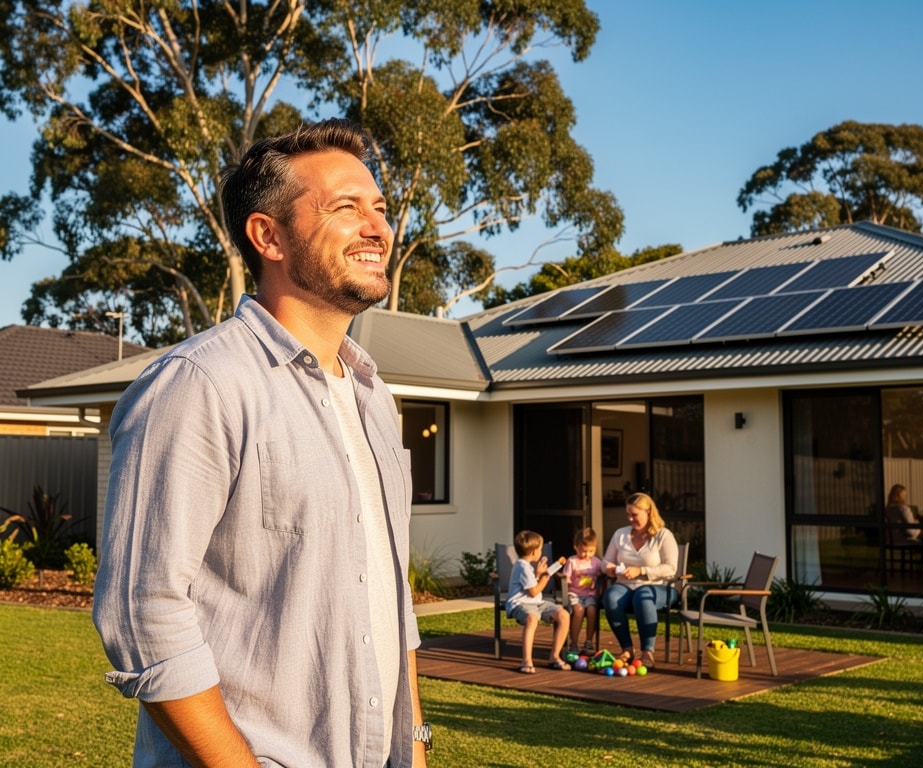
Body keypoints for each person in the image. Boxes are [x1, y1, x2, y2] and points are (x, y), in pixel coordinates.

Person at [92, 118, 431, 767]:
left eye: (380, 209)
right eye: (346, 208)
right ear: (267, 236)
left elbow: (389, 599)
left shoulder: (374, 399)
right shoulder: (199, 385)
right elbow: (141, 613)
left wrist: (413, 747)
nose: (378, 228)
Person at [602, 492, 679, 670]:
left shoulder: (663, 536)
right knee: (610, 597)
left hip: (658, 587)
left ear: (649, 511)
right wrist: (609, 568)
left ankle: (647, 651)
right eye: (628, 514)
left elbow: (671, 569)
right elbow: (605, 561)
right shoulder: (620, 534)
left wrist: (641, 571)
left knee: (642, 596)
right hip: (625, 585)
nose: (630, 519)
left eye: (634, 514)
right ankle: (627, 649)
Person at [505, 530, 571, 674]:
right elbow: (534, 591)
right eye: (540, 549)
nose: (541, 552)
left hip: (536, 603)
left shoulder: (526, 566)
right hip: (520, 604)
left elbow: (531, 586)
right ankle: (526, 660)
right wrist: (544, 578)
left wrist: (538, 574)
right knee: (531, 619)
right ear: (534, 552)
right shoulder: (522, 566)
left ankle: (554, 656)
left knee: (563, 615)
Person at [562, 527, 603, 654]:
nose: (587, 555)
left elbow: (602, 574)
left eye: (591, 551)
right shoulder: (572, 561)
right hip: (574, 593)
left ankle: (589, 641)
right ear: (576, 547)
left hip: (590, 594)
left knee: (591, 610)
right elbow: (566, 577)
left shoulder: (596, 562)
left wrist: (596, 580)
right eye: (584, 551)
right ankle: (574, 642)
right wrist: (566, 580)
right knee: (578, 610)